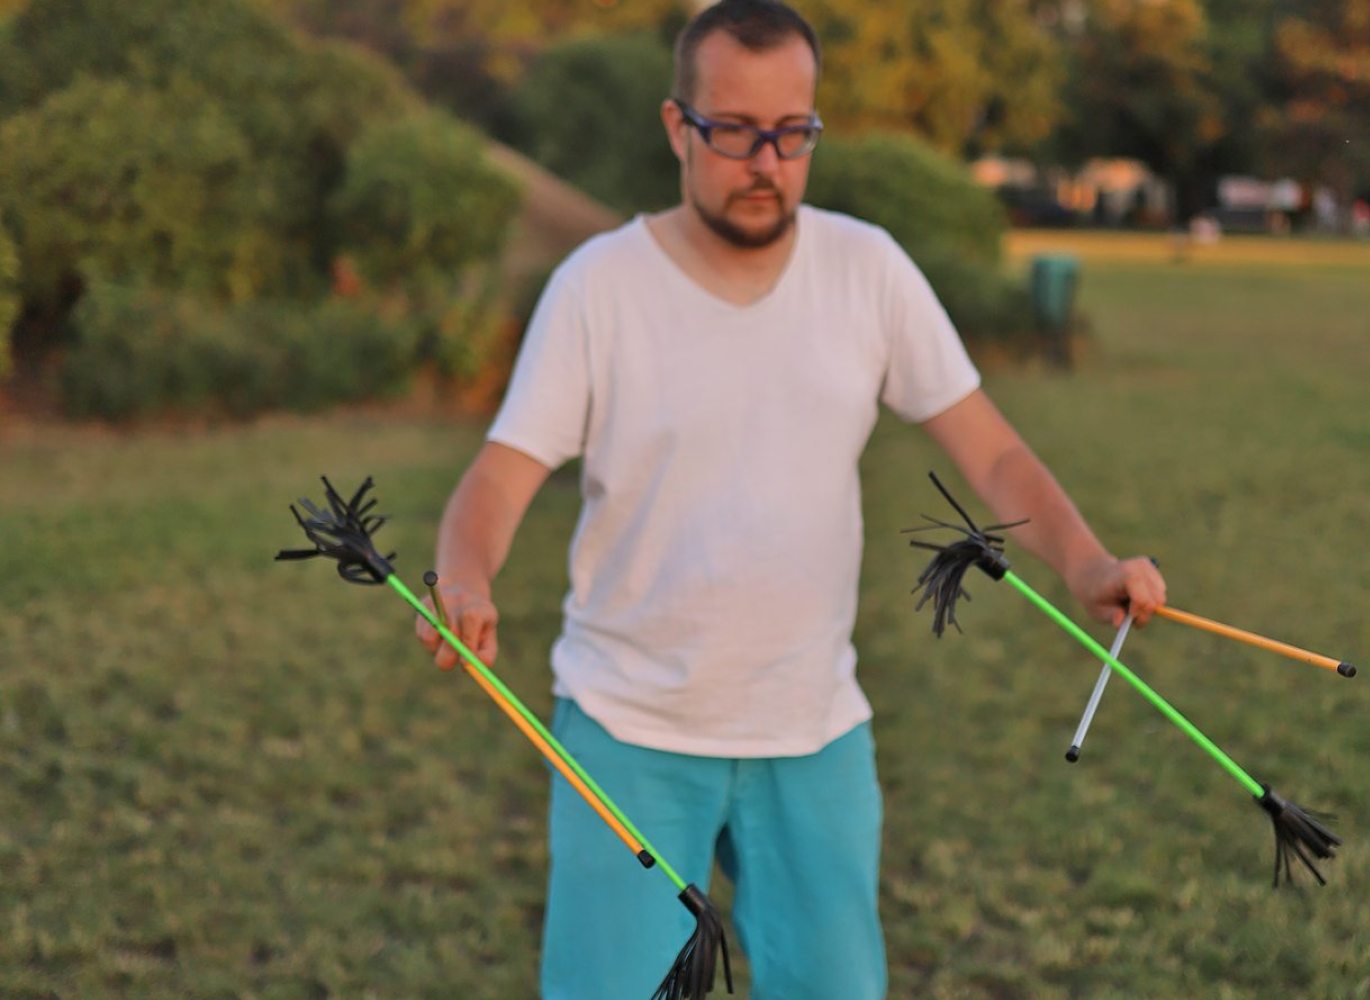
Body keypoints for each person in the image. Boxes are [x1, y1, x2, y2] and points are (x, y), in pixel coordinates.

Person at [416, 1, 1166, 996]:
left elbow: (994, 452)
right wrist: (463, 576)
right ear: (679, 127)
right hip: (628, 728)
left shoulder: (869, 271)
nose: (765, 160)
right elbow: (498, 475)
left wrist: (1087, 562)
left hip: (813, 732)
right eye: (733, 130)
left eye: (792, 132)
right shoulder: (599, 288)